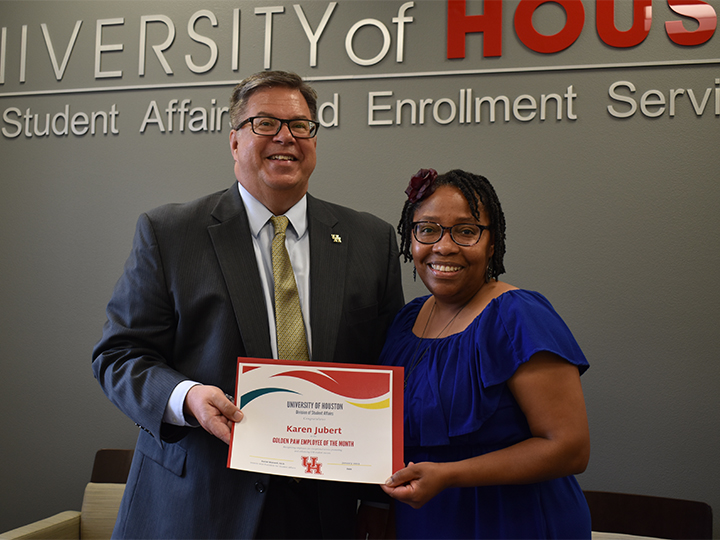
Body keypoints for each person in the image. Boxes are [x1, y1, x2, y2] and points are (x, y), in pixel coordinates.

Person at [92, 70, 404, 539]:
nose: (286, 137)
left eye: (301, 125)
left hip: (322, 509)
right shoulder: (170, 233)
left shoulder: (369, 239)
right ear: (234, 140)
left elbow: (387, 367)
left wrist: (379, 498)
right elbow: (119, 357)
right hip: (199, 504)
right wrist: (187, 398)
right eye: (265, 123)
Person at [379, 168, 591, 539]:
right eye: (427, 229)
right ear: (410, 239)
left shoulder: (517, 315)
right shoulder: (405, 322)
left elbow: (570, 449)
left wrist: (449, 475)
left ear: (492, 244)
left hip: (512, 522)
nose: (444, 246)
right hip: (425, 521)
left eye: (465, 231)